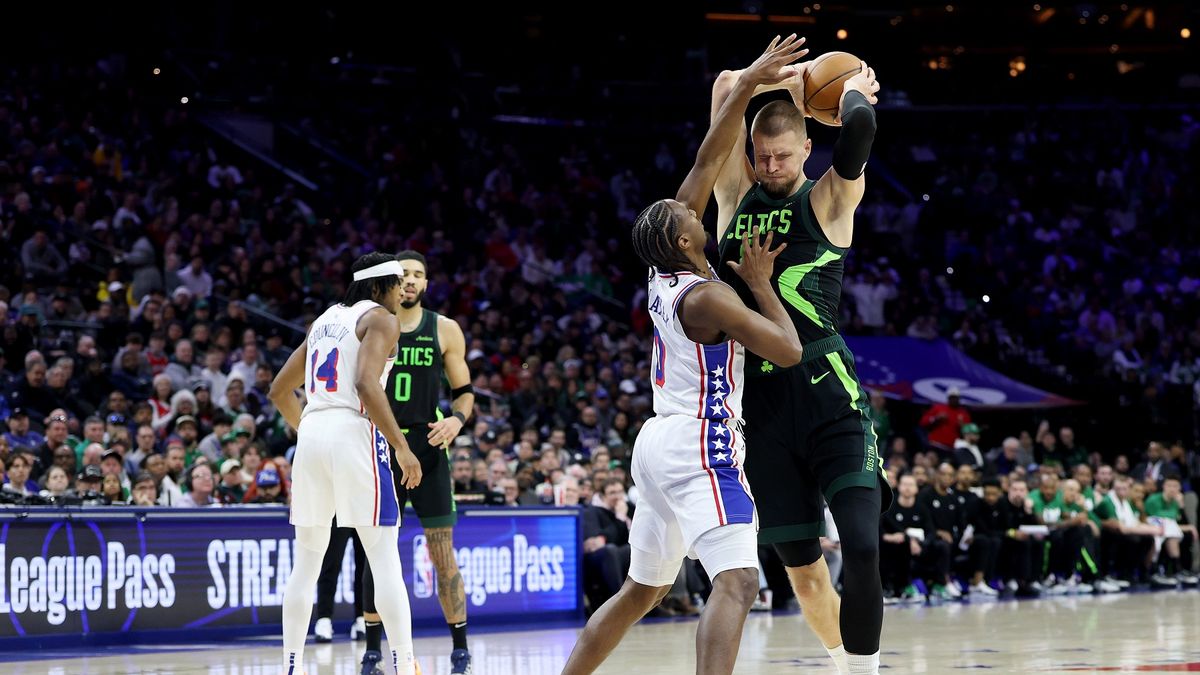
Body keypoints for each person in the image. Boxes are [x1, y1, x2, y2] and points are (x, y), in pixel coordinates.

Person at [562, 34, 807, 675]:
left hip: (657, 442)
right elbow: (785, 351)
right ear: (683, 236)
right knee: (740, 581)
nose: (693, 204)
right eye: (687, 212)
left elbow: (708, 157)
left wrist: (749, 81)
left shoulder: (665, 269)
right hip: (702, 442)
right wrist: (758, 286)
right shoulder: (707, 299)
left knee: (642, 589)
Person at [710, 47, 885, 673]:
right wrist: (780, 79)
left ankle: (864, 670)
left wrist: (851, 91)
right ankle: (842, 661)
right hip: (760, 408)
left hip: (827, 396)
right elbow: (727, 86)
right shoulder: (734, 195)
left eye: (782, 156)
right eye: (761, 156)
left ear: (807, 150)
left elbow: (860, 127)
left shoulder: (831, 199)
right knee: (804, 573)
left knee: (862, 546)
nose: (770, 166)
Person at [268, 252, 423, 675]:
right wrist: (402, 447)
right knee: (384, 556)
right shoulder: (380, 319)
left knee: (306, 562)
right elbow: (365, 383)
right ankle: (405, 664)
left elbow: (279, 390)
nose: (402, 292)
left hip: (313, 431)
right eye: (397, 284)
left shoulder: (323, 320)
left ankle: (291, 667)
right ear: (377, 287)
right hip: (354, 430)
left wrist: (312, 432)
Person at [360, 249, 476, 675]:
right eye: (403, 274)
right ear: (392, 282)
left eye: (418, 275)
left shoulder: (444, 329)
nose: (410, 280)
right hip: (380, 448)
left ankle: (460, 647)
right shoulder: (372, 324)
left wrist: (457, 421)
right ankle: (373, 649)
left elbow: (465, 390)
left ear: (427, 283)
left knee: (442, 552)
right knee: (376, 551)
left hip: (427, 448)